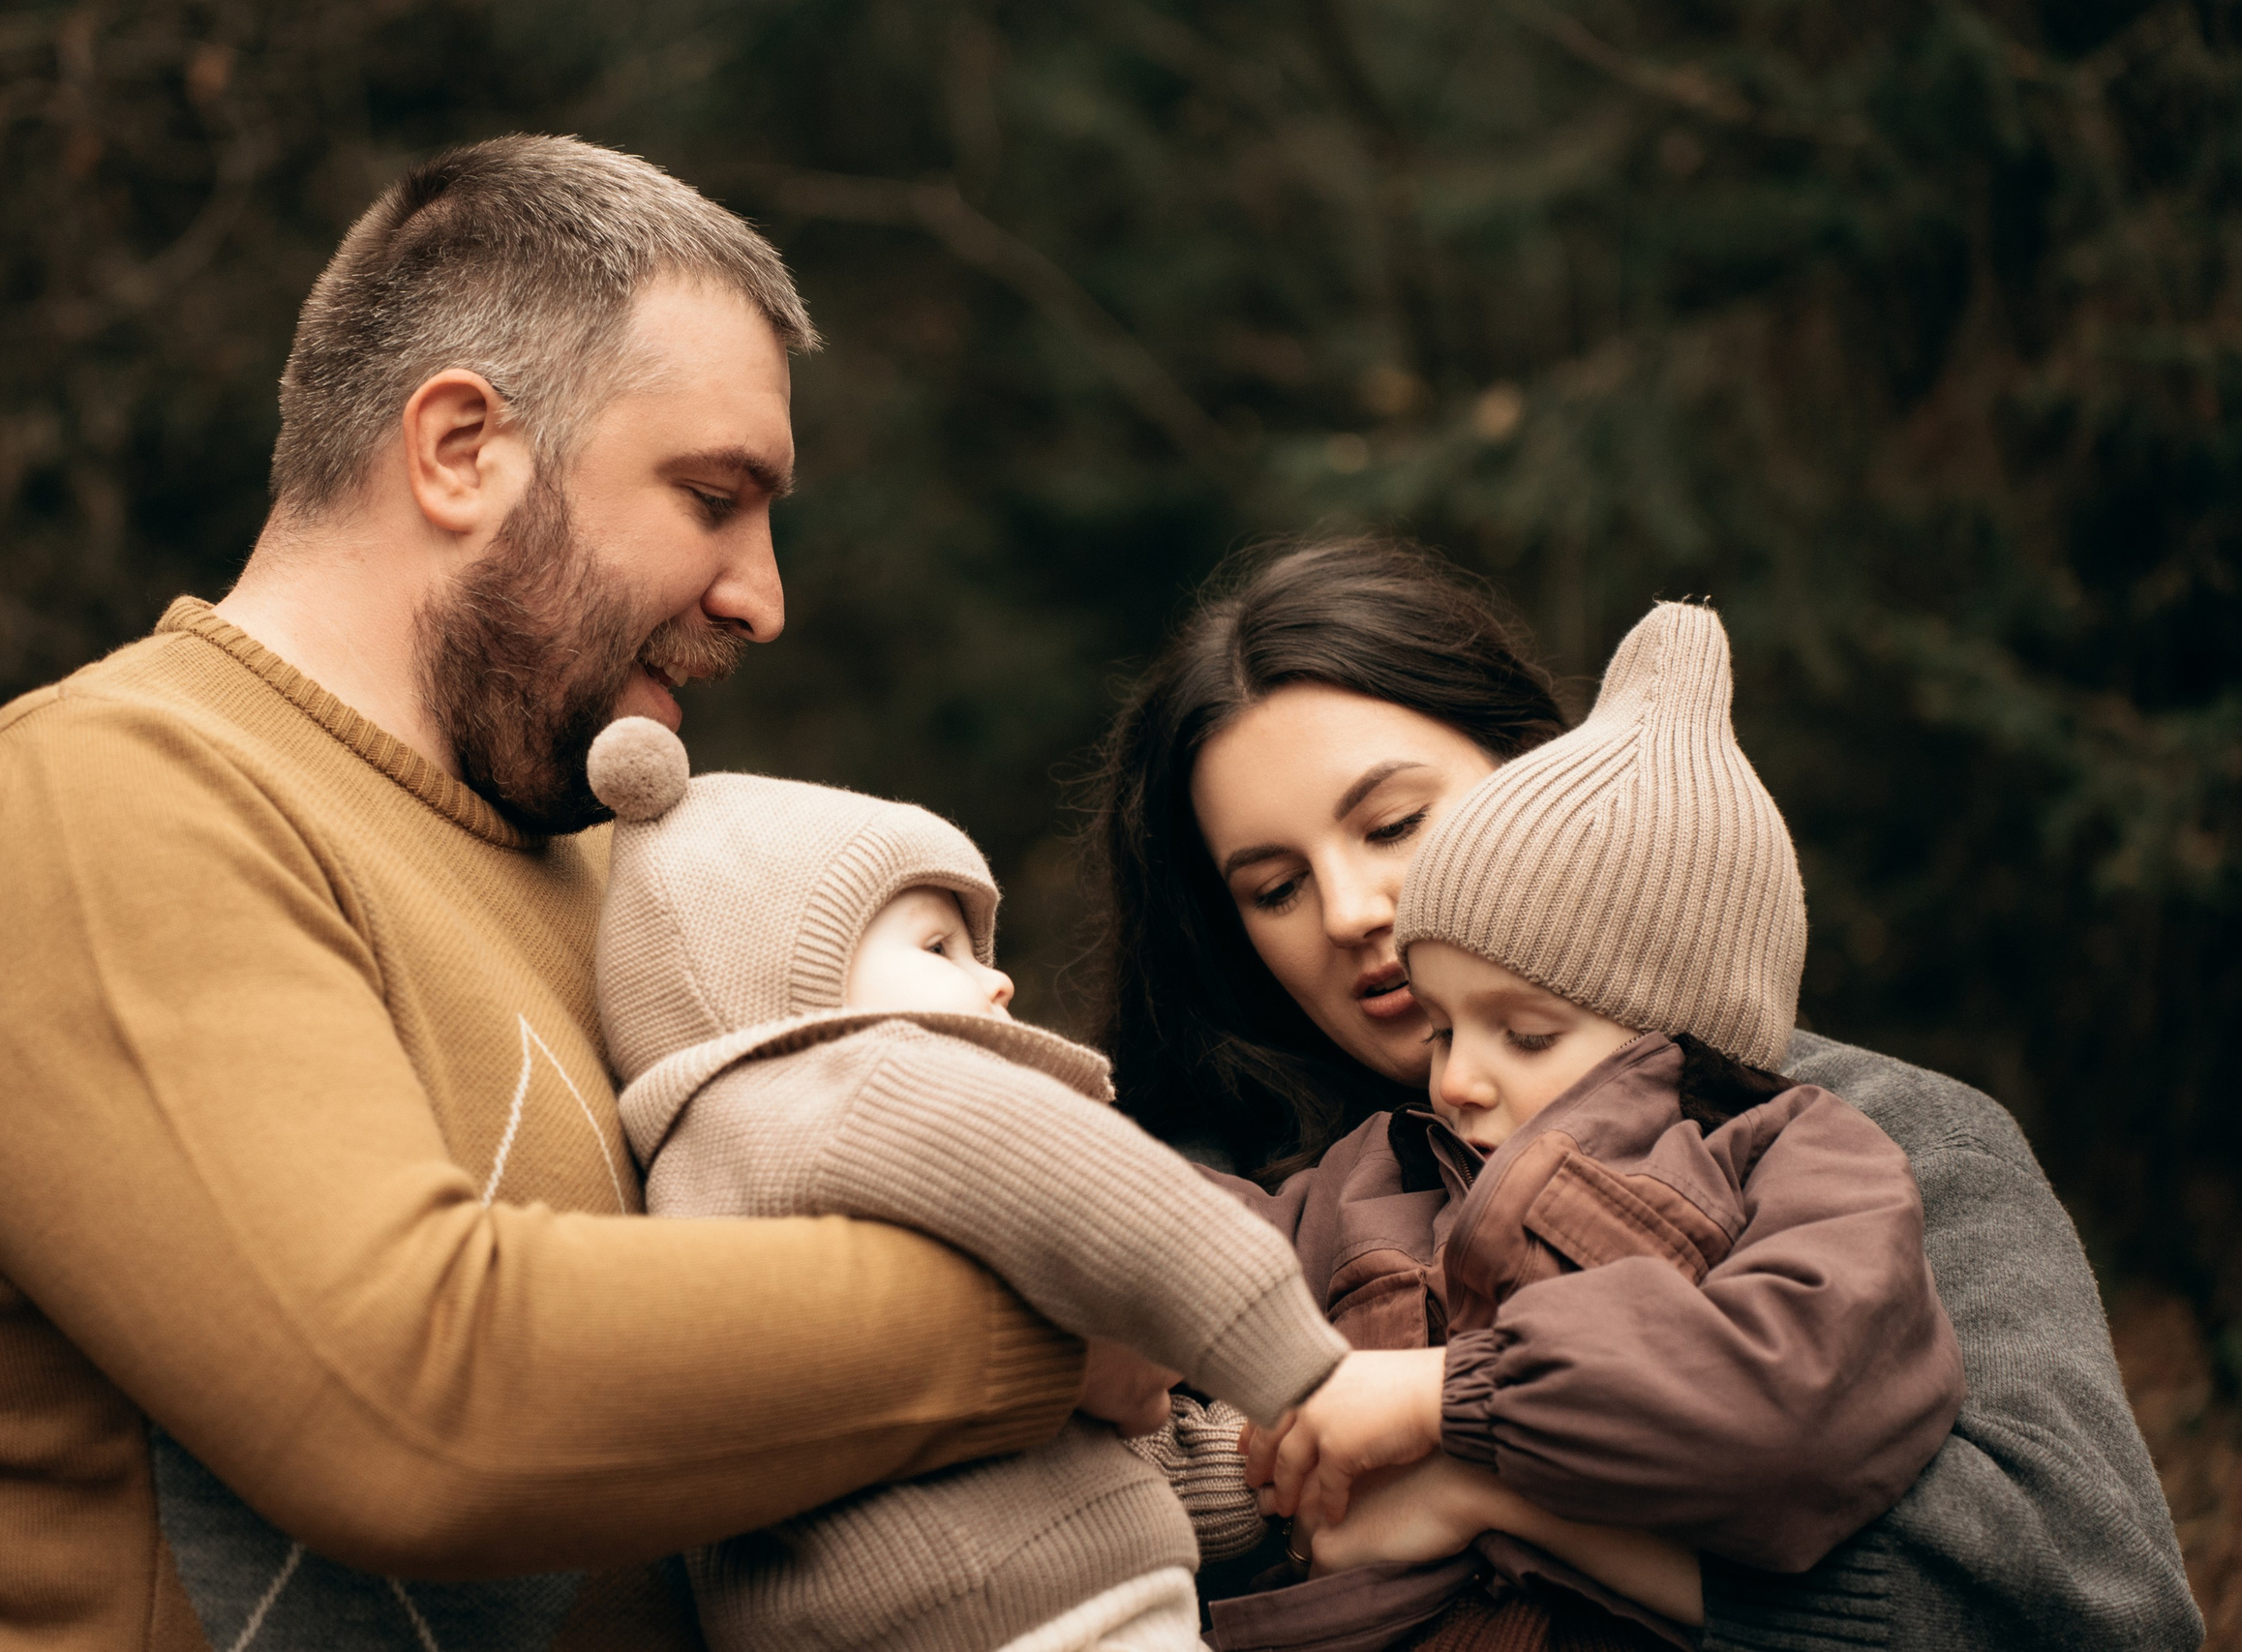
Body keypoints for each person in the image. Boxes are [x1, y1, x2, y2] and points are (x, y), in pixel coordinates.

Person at [0, 135, 1170, 1652]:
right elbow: (406, 1403)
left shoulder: (622, 877)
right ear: (461, 446)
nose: (761, 593)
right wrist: (1057, 1320)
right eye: (712, 497)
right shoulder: (105, 801)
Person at [1081, 539, 2204, 1651]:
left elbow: (2099, 1607)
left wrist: (1500, 1494)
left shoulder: (1873, 1138)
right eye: (1274, 887)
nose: (1346, 910)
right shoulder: (1224, 1181)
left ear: (1538, 779)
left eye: (1393, 825)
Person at [1187, 601, 1966, 1649]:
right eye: (1443, 1024)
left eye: (1526, 1032)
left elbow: (1791, 1394)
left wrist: (1448, 1402)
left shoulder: (1805, 1156)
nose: (1457, 1079)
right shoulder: (1382, 1166)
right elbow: (1198, 1240)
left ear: (1679, 1026)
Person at [582, 715, 1346, 1652]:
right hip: (1029, 1612)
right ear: (791, 981)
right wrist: (1308, 1379)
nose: (997, 985)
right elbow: (1104, 1196)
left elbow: (1033, 1450)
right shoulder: (856, 1079)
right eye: (938, 948)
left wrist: (1247, 1471)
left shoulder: (710, 1182)